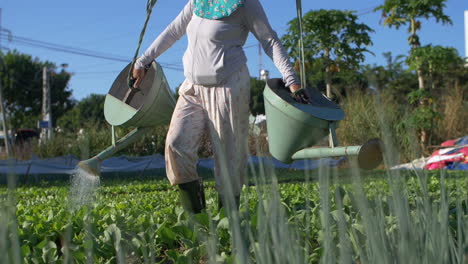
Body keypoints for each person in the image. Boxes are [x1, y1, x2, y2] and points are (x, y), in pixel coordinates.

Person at [132, 0, 303, 214]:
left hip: (228, 85)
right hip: (193, 88)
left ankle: (227, 221)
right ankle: (198, 218)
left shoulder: (245, 4)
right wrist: (143, 61)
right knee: (176, 144)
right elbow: (174, 30)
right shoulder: (198, 1)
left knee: (228, 156)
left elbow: (269, 40)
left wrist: (291, 80)